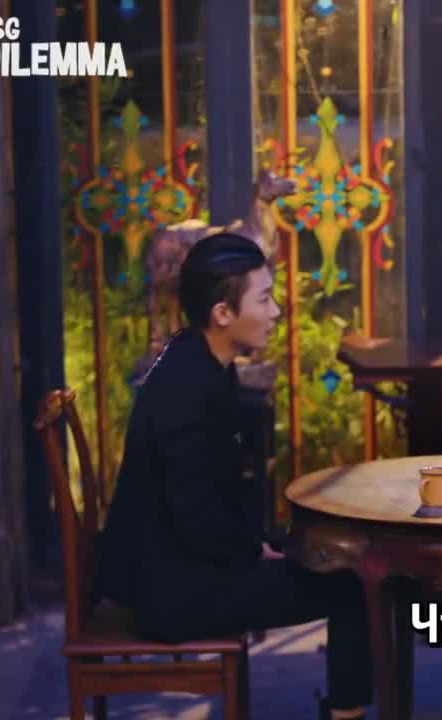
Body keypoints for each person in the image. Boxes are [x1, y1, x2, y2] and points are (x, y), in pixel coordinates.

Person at [96, 233, 373, 720]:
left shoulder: (200, 360)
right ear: (222, 313)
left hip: (187, 566)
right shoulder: (187, 390)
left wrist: (260, 542)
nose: (276, 312)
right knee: (353, 586)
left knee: (333, 559)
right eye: (263, 299)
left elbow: (215, 494)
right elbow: (197, 517)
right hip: (176, 591)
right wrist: (252, 550)